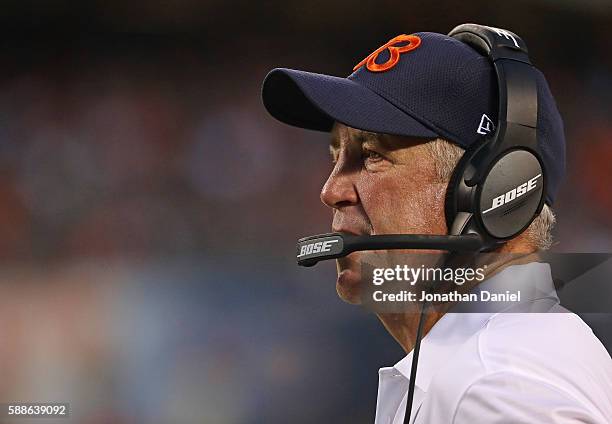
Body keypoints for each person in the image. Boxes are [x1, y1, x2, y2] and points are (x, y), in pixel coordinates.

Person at [261, 28, 612, 423]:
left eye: (373, 154)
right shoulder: (493, 364)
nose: (331, 190)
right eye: (335, 158)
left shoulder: (499, 388)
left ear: (496, 189)